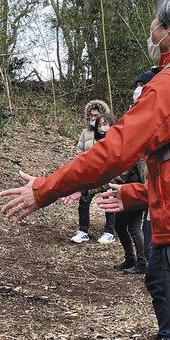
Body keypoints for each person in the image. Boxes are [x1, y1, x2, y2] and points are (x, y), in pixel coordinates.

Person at [0, 0, 170, 340]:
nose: (152, 28)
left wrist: (45, 188)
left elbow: (114, 151)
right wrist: (136, 193)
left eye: (156, 21)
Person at [133, 69, 170, 340]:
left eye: (141, 89)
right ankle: (168, 332)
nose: (136, 94)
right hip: (155, 212)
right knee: (156, 278)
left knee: (164, 279)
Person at [63, 99, 115, 244]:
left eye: (96, 115)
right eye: (91, 115)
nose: (93, 118)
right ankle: (83, 230)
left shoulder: (110, 133)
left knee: (109, 199)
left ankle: (109, 231)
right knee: (84, 199)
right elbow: (78, 151)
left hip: (106, 172)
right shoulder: (86, 133)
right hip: (89, 172)